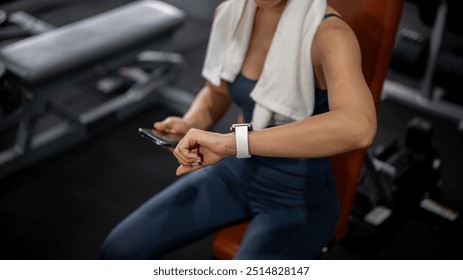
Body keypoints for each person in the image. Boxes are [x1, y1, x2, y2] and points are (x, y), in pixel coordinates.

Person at [100, 0, 376, 260]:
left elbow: (358, 126)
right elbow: (217, 91)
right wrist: (189, 122)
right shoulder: (231, 13)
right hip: (233, 175)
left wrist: (235, 144)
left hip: (295, 198)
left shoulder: (330, 34)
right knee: (117, 251)